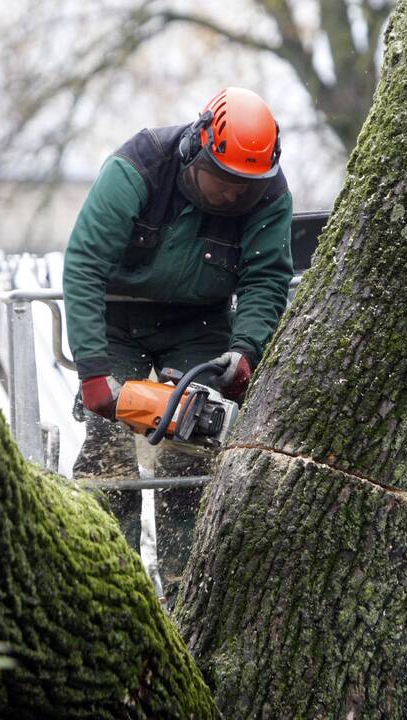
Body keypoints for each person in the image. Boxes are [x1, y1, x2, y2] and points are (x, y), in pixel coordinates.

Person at [63, 87, 294, 592]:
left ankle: (188, 589)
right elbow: (83, 265)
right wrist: (94, 372)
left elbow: (266, 279)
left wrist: (246, 349)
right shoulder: (139, 167)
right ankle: (108, 587)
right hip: (115, 321)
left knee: (195, 449)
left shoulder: (268, 194)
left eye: (245, 187)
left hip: (199, 328)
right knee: (110, 453)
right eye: (224, 180)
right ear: (197, 149)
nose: (234, 195)